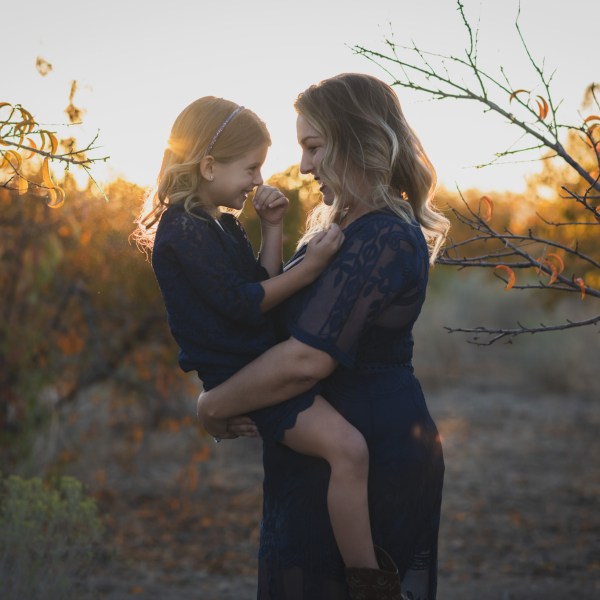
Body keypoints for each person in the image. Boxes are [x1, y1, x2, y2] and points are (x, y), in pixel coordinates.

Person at [196, 73, 450, 600]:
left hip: (372, 453)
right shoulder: (344, 226)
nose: (305, 166)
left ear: (359, 139)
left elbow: (307, 360)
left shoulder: (382, 233)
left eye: (313, 147)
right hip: (322, 453)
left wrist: (212, 404)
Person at [134, 96, 387, 588]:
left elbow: (259, 281)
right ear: (208, 166)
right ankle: (370, 583)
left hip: (257, 359)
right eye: (250, 168)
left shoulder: (219, 223)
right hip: (243, 373)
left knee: (346, 450)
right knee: (349, 451)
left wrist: (272, 228)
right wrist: (311, 266)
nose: (257, 180)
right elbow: (244, 303)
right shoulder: (181, 229)